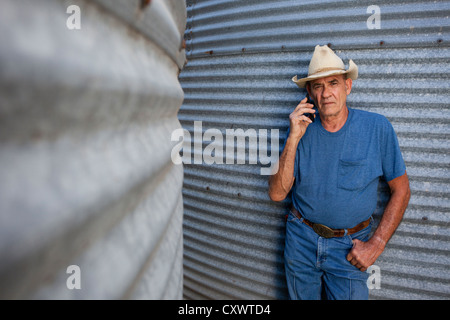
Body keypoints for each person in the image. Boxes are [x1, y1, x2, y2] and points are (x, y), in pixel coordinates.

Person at [268, 45, 411, 300]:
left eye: (333, 83)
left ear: (347, 86)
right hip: (301, 241)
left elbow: (401, 189)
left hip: (349, 248)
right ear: (309, 93)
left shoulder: (377, 128)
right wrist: (293, 138)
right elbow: (277, 194)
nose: (326, 94)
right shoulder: (300, 130)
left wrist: (375, 245)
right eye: (318, 86)